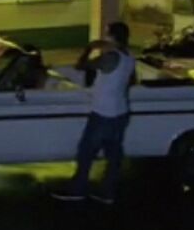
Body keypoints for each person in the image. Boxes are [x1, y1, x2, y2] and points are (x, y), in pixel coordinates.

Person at [53, 22, 136, 204]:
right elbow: (130, 80)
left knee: (86, 152)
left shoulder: (110, 57)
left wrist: (89, 48)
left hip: (103, 113)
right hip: (121, 111)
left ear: (112, 36)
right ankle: (108, 191)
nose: (104, 37)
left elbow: (80, 66)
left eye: (107, 34)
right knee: (113, 154)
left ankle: (78, 189)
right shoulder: (129, 57)